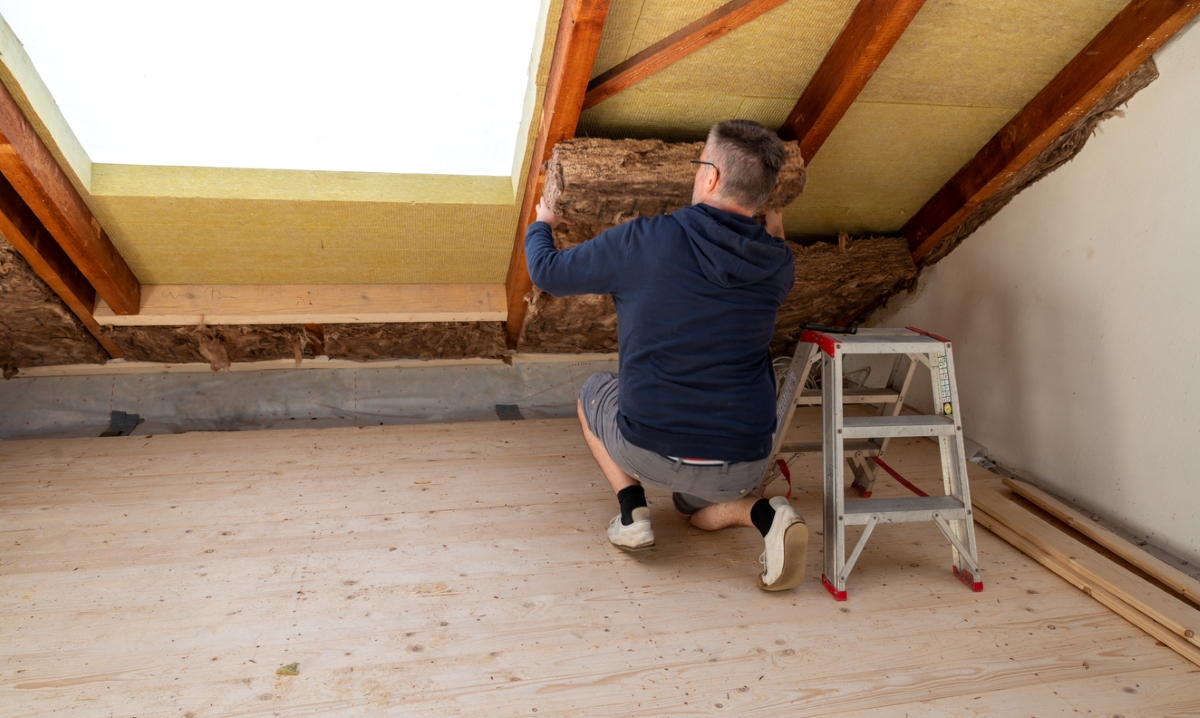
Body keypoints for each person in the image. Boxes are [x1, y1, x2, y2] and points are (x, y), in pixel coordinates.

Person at [525, 119, 807, 591]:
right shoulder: (777, 265)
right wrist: (774, 224)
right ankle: (766, 514)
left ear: (711, 177)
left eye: (701, 165)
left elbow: (547, 272)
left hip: (649, 446)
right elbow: (774, 246)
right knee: (694, 512)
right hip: (743, 458)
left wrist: (544, 221)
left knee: (592, 391)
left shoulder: (644, 240)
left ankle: (632, 508)